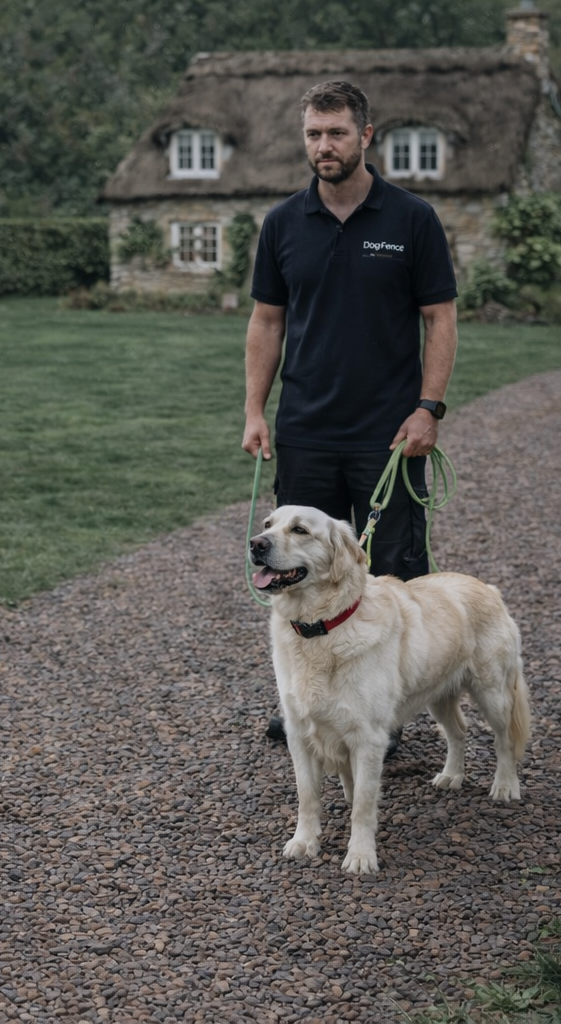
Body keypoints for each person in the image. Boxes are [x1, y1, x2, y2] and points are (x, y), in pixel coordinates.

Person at [241, 80, 459, 749]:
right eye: (313, 133)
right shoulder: (283, 223)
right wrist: (255, 408)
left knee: (392, 569)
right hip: (306, 428)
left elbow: (440, 319)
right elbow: (267, 321)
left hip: (388, 435)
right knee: (295, 571)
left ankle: (382, 710)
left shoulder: (411, 218)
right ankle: (302, 702)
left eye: (336, 133)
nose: (323, 146)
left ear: (366, 136)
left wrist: (428, 409)